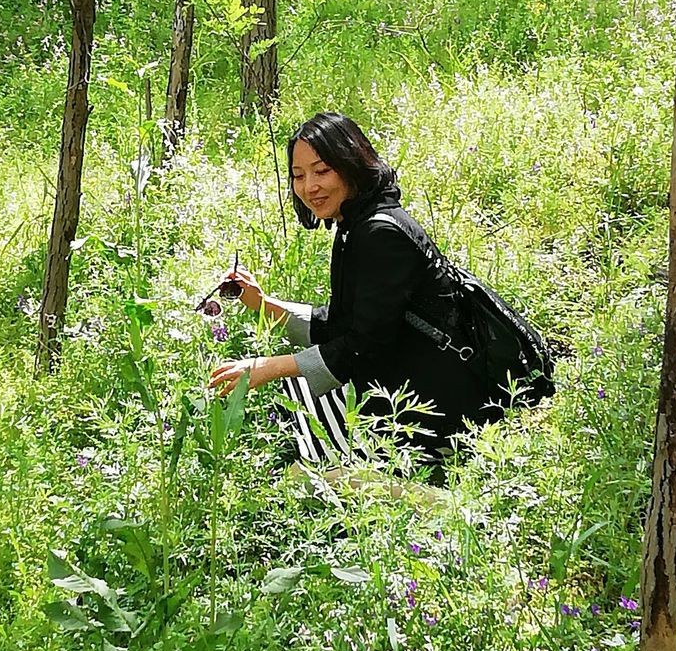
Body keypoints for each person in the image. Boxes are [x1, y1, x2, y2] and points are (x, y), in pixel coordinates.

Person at [209, 112, 536, 466]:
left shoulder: (380, 235)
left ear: (350, 165)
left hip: (443, 407)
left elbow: (360, 350)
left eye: (322, 171)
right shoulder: (356, 226)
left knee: (308, 460)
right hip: (413, 383)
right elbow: (340, 326)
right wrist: (261, 303)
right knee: (292, 396)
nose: (309, 187)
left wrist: (267, 366)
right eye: (298, 176)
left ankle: (415, 491)